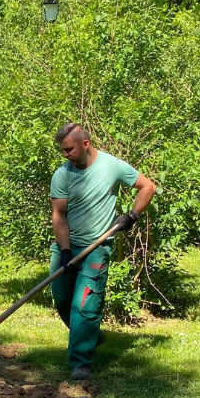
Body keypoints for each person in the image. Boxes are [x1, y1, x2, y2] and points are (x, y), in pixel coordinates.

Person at [49, 123, 155, 381]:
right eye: (62, 151)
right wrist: (64, 251)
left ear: (85, 144)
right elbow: (58, 215)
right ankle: (90, 335)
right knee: (63, 302)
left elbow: (147, 187)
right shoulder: (62, 175)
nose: (65, 155)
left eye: (69, 149)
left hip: (97, 248)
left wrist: (132, 215)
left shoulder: (112, 166)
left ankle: (81, 362)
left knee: (85, 305)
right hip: (67, 246)